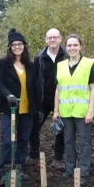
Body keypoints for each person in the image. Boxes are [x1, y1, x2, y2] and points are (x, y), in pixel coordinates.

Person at [0, 28, 42, 186]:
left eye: (20, 44)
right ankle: (4, 170)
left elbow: (35, 87)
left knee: (23, 140)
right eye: (14, 44)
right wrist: (8, 95)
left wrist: (39, 108)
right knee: (8, 141)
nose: (17, 47)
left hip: (27, 110)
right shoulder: (3, 63)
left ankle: (20, 166)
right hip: (8, 109)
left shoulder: (31, 65)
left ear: (24, 46)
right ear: (9, 47)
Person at [53, 34, 94, 186]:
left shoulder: (89, 64)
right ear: (66, 47)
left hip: (83, 111)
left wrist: (90, 110)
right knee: (68, 141)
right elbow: (58, 89)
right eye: (69, 45)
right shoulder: (60, 65)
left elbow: (93, 89)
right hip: (66, 111)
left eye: (75, 45)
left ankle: (84, 172)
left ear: (80, 46)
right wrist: (56, 110)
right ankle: (70, 168)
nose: (72, 48)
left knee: (85, 143)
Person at [28, 28, 67, 171]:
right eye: (49, 37)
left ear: (60, 38)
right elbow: (36, 79)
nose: (52, 40)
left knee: (62, 130)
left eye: (55, 37)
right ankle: (34, 156)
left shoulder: (67, 55)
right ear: (46, 40)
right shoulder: (39, 57)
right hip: (44, 100)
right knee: (33, 128)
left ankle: (58, 158)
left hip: (63, 100)